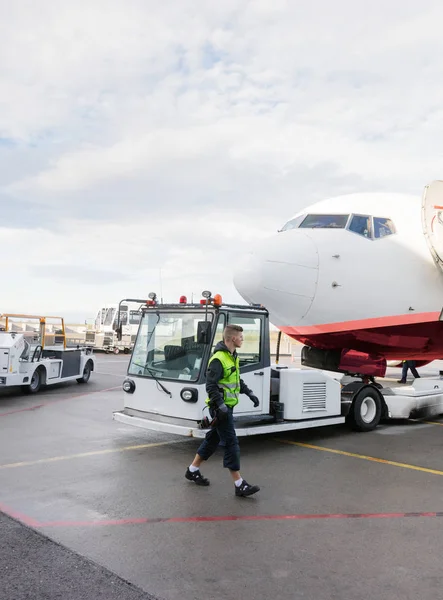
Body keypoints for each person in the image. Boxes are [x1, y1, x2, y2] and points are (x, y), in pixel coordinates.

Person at [185, 324, 261, 497]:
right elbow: (210, 385)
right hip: (219, 409)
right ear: (233, 338)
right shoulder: (219, 359)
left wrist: (250, 393)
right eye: (241, 337)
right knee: (231, 442)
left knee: (213, 439)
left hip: (227, 408)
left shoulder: (232, 356)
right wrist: (220, 406)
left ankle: (192, 470)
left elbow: (236, 380)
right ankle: (239, 484)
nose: (242, 339)